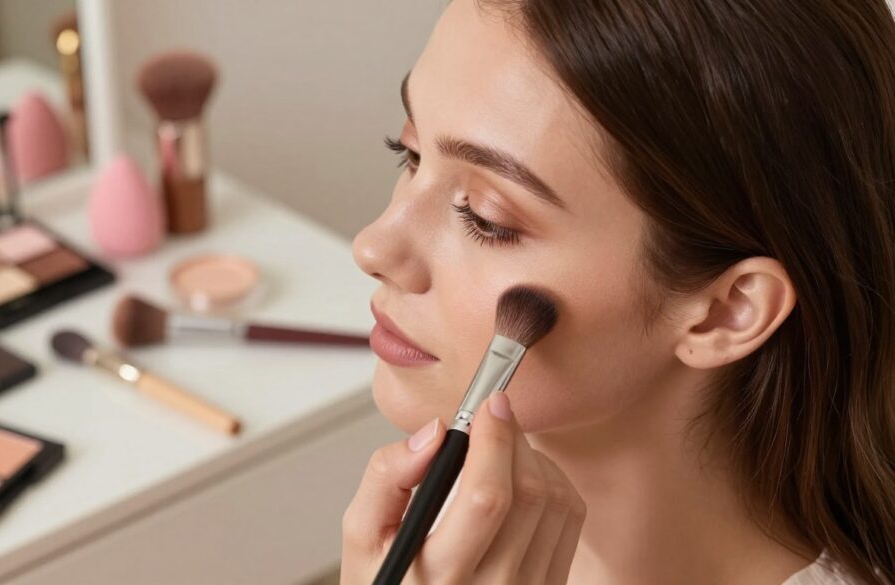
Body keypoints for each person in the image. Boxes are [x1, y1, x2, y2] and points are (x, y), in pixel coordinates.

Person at [340, 0, 895, 583]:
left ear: (727, 312)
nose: (373, 247)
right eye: (411, 152)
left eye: (485, 217)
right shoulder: (460, 530)